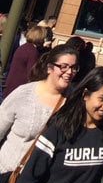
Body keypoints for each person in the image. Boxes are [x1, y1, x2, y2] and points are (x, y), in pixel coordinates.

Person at [0, 43, 79, 174]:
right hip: (9, 174)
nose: (69, 72)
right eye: (63, 66)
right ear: (49, 68)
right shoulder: (23, 94)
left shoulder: (74, 101)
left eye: (74, 68)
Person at [3, 24, 46, 97]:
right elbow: (32, 72)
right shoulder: (32, 51)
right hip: (19, 87)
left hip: (10, 84)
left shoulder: (23, 47)